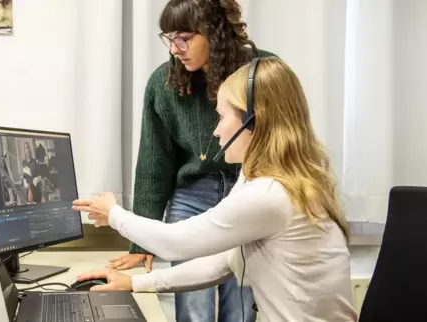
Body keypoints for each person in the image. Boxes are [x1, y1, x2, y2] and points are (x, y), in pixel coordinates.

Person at [73, 57, 358, 322]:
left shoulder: (271, 194)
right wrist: (136, 283)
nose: (215, 131)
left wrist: (113, 215)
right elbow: (225, 263)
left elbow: (175, 242)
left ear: (253, 122)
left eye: (221, 117)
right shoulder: (277, 181)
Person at [108, 0, 275, 321]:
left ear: (214, 33)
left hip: (250, 190)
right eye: (169, 38)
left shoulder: (263, 72)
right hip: (192, 193)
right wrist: (140, 243)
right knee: (192, 307)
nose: (174, 49)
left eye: (183, 37)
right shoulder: (164, 83)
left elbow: (287, 138)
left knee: (241, 304)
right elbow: (153, 165)